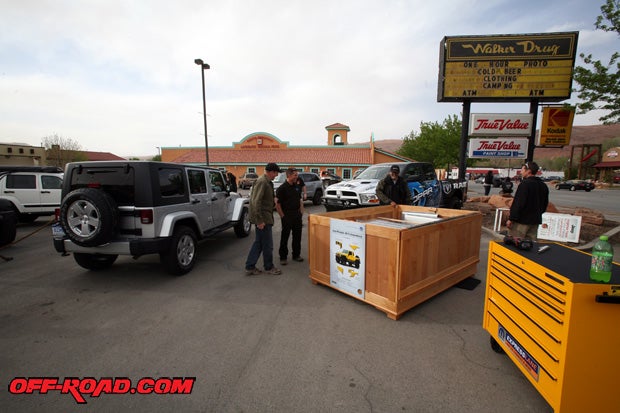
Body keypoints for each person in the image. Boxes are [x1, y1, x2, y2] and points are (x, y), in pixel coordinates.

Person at [244, 162, 283, 276]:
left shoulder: (266, 182)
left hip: (265, 217)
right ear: (271, 172)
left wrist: (273, 200)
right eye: (275, 173)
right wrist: (259, 220)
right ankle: (268, 267)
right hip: (263, 219)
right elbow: (256, 202)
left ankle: (250, 266)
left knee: (259, 243)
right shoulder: (263, 182)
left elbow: (263, 199)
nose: (276, 176)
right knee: (267, 244)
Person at [506, 161, 549, 240]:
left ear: (528, 171)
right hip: (535, 221)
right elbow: (545, 204)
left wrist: (511, 218)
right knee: (530, 246)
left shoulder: (525, 184)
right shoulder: (543, 185)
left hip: (521, 222)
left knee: (516, 244)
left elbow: (518, 203)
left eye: (522, 170)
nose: (521, 172)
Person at [276, 168, 304, 266]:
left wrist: (301, 212)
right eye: (295, 175)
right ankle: (283, 257)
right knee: (285, 237)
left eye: (297, 175)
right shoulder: (282, 188)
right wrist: (283, 216)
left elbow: (300, 200)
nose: (297, 177)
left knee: (297, 236)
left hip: (297, 215)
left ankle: (296, 255)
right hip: (287, 215)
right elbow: (277, 204)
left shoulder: (297, 187)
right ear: (289, 176)